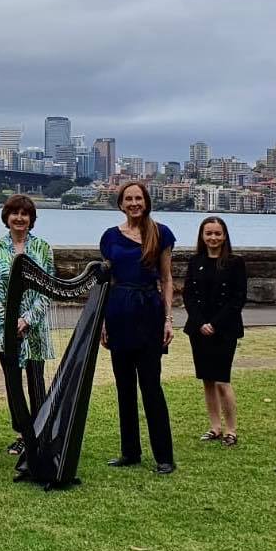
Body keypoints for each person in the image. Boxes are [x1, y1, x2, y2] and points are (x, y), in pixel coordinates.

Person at [99, 181, 177, 475]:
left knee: (151, 386)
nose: (134, 203)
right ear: (120, 203)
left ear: (146, 202)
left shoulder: (161, 233)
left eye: (139, 198)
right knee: (124, 388)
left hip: (149, 312)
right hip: (119, 311)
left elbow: (167, 279)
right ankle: (130, 451)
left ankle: (164, 456)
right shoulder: (110, 237)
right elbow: (108, 281)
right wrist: (104, 321)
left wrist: (168, 319)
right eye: (128, 199)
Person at [0, 194, 55, 456]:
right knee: (12, 382)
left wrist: (27, 319)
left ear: (31, 219)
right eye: (15, 213)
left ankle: (38, 432)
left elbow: (48, 289)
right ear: (7, 218)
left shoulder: (43, 248)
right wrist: (10, 318)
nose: (19, 218)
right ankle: (22, 433)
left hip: (34, 328)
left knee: (36, 381)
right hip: (6, 328)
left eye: (25, 214)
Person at [183, 216, 247, 448]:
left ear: (225, 236)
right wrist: (201, 323)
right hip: (198, 329)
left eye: (217, 233)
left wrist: (215, 324)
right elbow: (188, 295)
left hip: (224, 329)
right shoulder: (194, 261)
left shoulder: (235, 263)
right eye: (208, 233)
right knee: (207, 380)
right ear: (202, 236)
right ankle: (215, 427)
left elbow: (238, 298)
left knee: (222, 380)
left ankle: (231, 429)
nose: (213, 238)